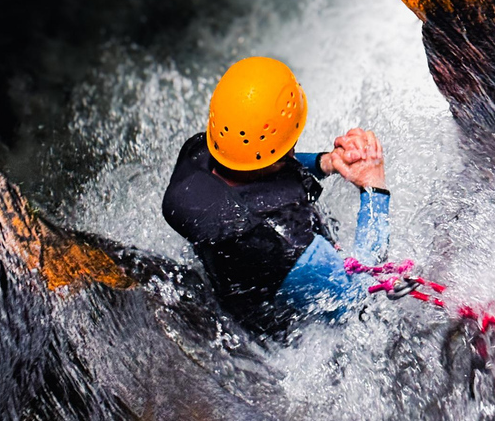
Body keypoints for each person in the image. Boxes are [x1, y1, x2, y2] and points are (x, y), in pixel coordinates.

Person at [162, 57, 390, 336]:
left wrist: (325, 163)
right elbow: (361, 293)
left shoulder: (198, 154)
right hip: (283, 334)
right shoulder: (288, 243)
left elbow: (258, 163)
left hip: (235, 288)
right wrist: (374, 188)